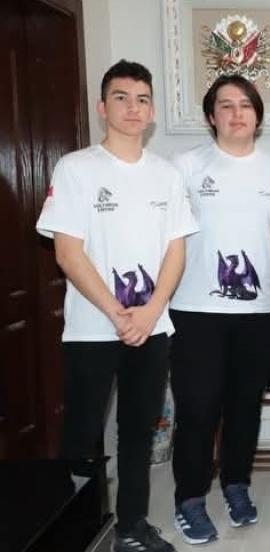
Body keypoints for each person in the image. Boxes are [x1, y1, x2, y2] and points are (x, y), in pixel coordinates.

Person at [35, 59, 198, 552]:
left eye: (143, 99)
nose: (133, 108)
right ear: (102, 108)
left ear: (152, 112)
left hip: (152, 327)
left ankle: (131, 525)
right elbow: (67, 252)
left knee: (138, 432)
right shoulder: (76, 168)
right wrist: (115, 312)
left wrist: (150, 311)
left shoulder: (166, 175)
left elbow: (176, 250)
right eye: (122, 98)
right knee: (81, 435)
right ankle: (75, 531)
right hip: (92, 329)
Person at [168, 74, 270, 545]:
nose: (237, 113)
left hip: (257, 312)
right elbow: (167, 234)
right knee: (198, 407)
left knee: (245, 405)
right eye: (226, 105)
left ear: (257, 115)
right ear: (211, 116)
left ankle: (237, 485)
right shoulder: (184, 167)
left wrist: (252, 263)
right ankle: (190, 499)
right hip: (194, 309)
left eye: (245, 104)